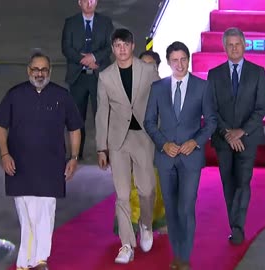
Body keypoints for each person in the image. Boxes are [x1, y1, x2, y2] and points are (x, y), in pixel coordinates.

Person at [0, 52, 83, 270]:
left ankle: (38, 261)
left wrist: (74, 157)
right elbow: (0, 126)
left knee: (45, 215)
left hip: (51, 168)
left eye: (43, 70)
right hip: (20, 167)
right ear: (28, 70)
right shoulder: (15, 95)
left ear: (50, 71)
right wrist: (4, 154)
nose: (39, 73)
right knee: (27, 216)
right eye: (35, 69)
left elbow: (75, 128)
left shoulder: (62, 96)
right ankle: (30, 262)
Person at [144, 41, 217, 270]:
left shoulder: (202, 87)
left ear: (189, 59)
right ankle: (177, 252)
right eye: (175, 60)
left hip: (191, 157)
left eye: (183, 59)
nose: (180, 64)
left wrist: (195, 142)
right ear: (168, 62)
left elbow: (212, 122)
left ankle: (184, 257)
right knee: (172, 208)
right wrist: (163, 144)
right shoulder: (158, 88)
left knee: (186, 207)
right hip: (166, 158)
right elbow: (148, 121)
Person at [96, 28, 159, 264]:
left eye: (126, 45)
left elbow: (158, 102)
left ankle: (146, 223)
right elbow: (102, 113)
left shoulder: (148, 70)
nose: (122, 49)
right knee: (121, 194)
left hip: (143, 138)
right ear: (112, 49)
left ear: (133, 46)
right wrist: (101, 147)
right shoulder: (105, 76)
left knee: (147, 190)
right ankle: (126, 245)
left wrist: (160, 135)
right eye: (117, 45)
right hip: (118, 141)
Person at [207, 27, 265, 245]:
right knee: (228, 183)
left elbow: (261, 108)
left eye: (237, 44)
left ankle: (237, 226)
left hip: (247, 138)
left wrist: (241, 132)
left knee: (243, 181)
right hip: (223, 140)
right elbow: (211, 109)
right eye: (230, 45)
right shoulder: (214, 75)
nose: (234, 48)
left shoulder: (258, 72)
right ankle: (235, 222)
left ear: (244, 45)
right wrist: (227, 134)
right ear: (224, 47)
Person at [117, 50, 167, 236]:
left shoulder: (165, 88)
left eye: (150, 65)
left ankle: (158, 221)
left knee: (157, 187)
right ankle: (132, 224)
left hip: (158, 145)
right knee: (133, 187)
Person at [61, 0, 114, 159]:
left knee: (103, 116)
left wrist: (94, 57)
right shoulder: (70, 23)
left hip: (99, 78)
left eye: (92, 0)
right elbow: (66, 48)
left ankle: (105, 153)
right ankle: (77, 154)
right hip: (78, 77)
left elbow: (110, 46)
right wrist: (82, 59)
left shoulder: (105, 22)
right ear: (79, 2)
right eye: (85, 0)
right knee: (77, 118)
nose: (89, 3)